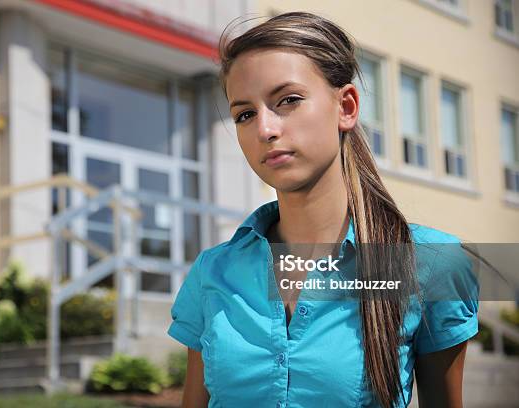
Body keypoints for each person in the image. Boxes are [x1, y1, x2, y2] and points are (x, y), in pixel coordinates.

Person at [167, 11, 478, 408]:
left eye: (288, 100)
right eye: (244, 114)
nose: (265, 129)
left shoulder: (433, 264)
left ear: (346, 106)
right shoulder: (213, 272)